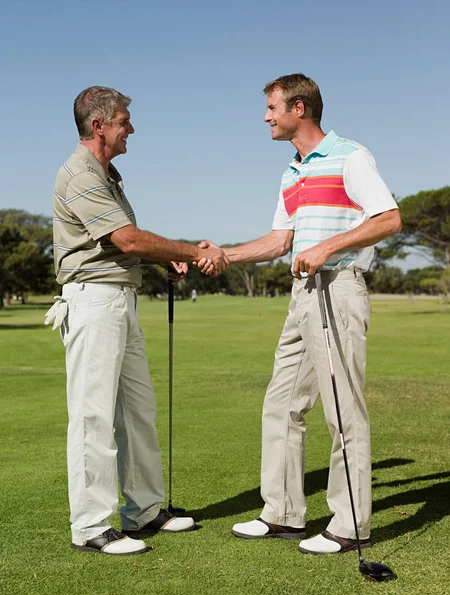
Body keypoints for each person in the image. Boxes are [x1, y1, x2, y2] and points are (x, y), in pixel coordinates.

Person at [198, 73, 401, 555]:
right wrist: (223, 254)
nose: (266, 117)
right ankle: (284, 514)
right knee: (281, 403)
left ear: (299, 110)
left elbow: (388, 217)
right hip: (302, 297)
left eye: (272, 108)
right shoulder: (292, 171)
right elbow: (279, 240)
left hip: (337, 289)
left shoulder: (351, 156)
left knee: (342, 408)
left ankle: (351, 526)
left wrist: (328, 247)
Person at [46, 86, 227, 556]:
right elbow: (127, 240)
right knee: (93, 416)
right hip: (92, 301)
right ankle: (89, 525)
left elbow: (120, 247)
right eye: (125, 120)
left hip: (119, 299)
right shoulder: (80, 172)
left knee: (137, 411)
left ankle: (144, 509)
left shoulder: (110, 175)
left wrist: (160, 262)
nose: (132, 128)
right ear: (99, 125)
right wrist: (191, 250)